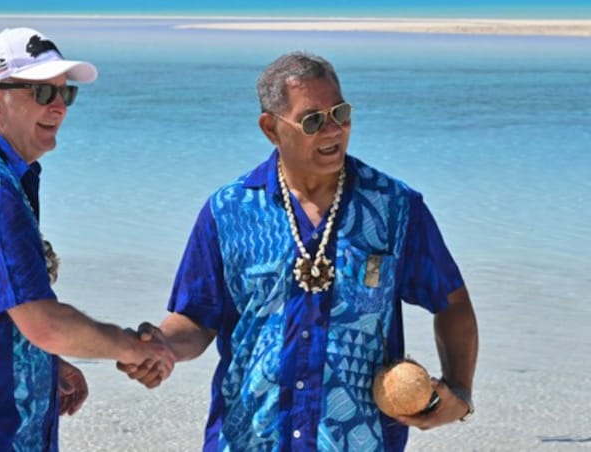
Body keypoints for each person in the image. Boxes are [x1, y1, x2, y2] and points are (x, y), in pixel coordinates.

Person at [119, 51, 479, 451]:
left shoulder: (394, 207)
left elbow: (453, 304)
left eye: (340, 114)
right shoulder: (228, 211)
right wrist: (162, 348)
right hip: (246, 440)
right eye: (313, 120)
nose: (332, 131)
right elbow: (197, 319)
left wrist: (459, 393)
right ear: (271, 128)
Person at [0, 27, 175, 451]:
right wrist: (132, 347)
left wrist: (46, 365)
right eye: (42, 93)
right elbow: (44, 324)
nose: (60, 107)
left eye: (66, 94)